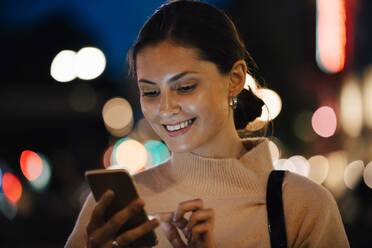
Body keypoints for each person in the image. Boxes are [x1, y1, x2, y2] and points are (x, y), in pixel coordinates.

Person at [65, 1, 350, 247]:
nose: (165, 108)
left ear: (236, 79)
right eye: (150, 92)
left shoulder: (302, 205)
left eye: (185, 87)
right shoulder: (116, 209)